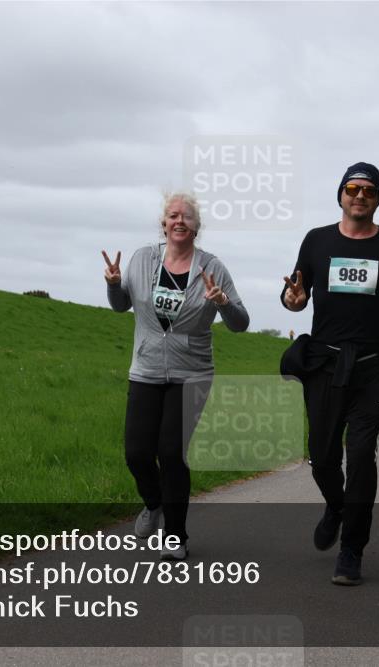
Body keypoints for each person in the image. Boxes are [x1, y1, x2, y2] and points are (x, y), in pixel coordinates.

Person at [280, 161, 379, 586]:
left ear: (378, 197)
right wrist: (292, 299)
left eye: (368, 190)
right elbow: (296, 293)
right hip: (325, 365)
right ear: (341, 194)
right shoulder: (317, 240)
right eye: (352, 188)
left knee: (362, 457)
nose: (360, 195)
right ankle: (336, 504)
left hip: (371, 369)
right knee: (322, 457)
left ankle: (351, 551)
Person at [104, 192, 249, 561]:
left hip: (192, 372)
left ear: (196, 227)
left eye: (186, 216)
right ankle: (154, 504)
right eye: (172, 215)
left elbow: (240, 324)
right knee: (137, 453)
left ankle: (176, 536)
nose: (179, 221)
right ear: (164, 224)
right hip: (146, 368)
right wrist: (113, 283)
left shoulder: (213, 268)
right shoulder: (142, 259)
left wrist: (222, 303)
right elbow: (122, 306)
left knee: (170, 452)